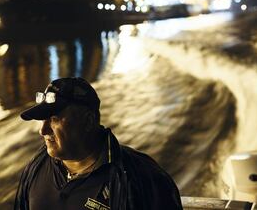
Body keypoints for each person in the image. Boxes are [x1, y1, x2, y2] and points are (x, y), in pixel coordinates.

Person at [14, 77, 183, 210]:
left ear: (88, 121)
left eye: (54, 119)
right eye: (42, 120)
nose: (42, 131)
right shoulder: (37, 167)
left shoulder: (141, 178)